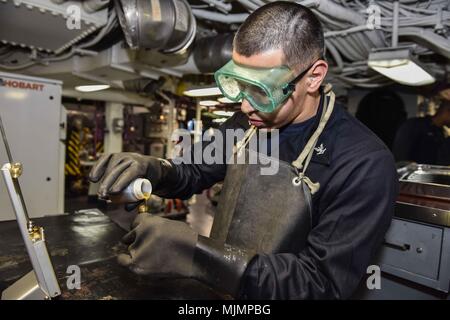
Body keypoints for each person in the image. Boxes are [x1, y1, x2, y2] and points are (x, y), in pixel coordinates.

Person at [89, 2, 398, 299]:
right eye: (241, 84)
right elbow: (193, 171)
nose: (246, 106)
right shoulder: (245, 124)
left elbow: (320, 283)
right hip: (220, 288)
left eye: (263, 90)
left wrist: (200, 257)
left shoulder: (363, 163)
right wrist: (154, 168)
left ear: (313, 77)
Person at [392, 100, 450, 166]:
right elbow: (399, 153)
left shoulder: (441, 133)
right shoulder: (414, 125)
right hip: (410, 174)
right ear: (446, 111)